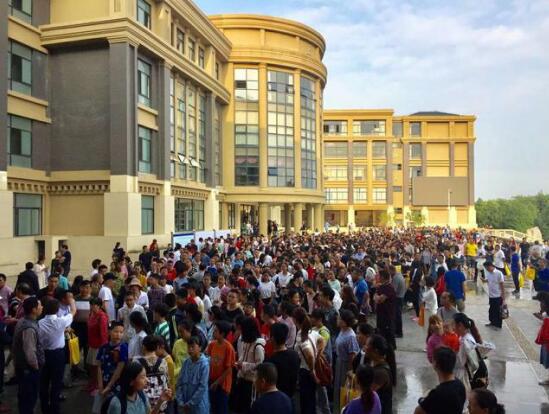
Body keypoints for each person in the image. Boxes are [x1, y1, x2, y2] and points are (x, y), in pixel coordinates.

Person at [38, 296, 77, 414]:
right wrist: (72, 301)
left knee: (43, 382)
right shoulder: (61, 321)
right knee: (56, 381)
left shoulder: (40, 322)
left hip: (43, 354)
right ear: (57, 309)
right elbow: (73, 311)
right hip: (57, 354)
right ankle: (55, 408)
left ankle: (44, 407)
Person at [12, 297, 44, 414]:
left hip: (23, 367)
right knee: (29, 398)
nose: (42, 307)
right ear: (34, 310)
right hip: (28, 369)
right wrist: (36, 367)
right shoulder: (29, 328)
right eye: (39, 305)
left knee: (24, 396)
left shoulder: (23, 320)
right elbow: (30, 352)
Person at [105, 361, 172, 414]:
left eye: (145, 376)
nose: (147, 380)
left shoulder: (142, 395)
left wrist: (160, 401)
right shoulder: (117, 404)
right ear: (131, 381)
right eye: (142, 377)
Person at [414, 347, 466, 414]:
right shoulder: (460, 385)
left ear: (435, 364)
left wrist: (426, 399)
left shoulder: (438, 394)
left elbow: (418, 411)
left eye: (433, 360)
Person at [234, 316, 266, 412]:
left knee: (248, 407)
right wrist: (238, 363)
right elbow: (242, 356)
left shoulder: (258, 346)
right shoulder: (246, 342)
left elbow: (259, 365)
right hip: (242, 378)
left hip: (251, 382)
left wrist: (243, 365)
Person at [205, 321, 236, 414]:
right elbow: (208, 358)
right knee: (212, 407)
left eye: (216, 331)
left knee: (221, 408)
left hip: (223, 385)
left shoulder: (228, 348)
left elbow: (228, 369)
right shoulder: (212, 344)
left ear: (222, 334)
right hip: (212, 380)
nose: (213, 332)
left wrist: (217, 382)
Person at [264, 322, 300, 400]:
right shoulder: (295, 355)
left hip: (276, 399)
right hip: (290, 398)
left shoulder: (272, 361)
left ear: (272, 338)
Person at [334, 309, 360, 412]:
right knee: (338, 389)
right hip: (339, 362)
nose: (337, 319)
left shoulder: (351, 336)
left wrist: (350, 371)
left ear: (344, 322)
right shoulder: (342, 330)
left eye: (339, 318)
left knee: (344, 390)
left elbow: (352, 355)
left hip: (345, 365)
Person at [176, 336, 210, 414]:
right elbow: (179, 383)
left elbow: (202, 387)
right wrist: (180, 402)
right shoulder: (186, 363)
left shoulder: (204, 365)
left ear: (200, 348)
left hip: (199, 407)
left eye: (192, 347)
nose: (190, 349)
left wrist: (190, 404)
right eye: (188, 347)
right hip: (184, 404)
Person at [135, 335, 169, 411]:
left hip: (144, 404)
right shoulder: (163, 362)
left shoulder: (137, 363)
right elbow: (166, 382)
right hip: (161, 405)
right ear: (156, 347)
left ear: (144, 347)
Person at [98, 321, 128, 398]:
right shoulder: (103, 347)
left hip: (117, 383)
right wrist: (100, 385)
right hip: (104, 381)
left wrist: (109, 386)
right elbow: (99, 367)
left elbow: (119, 369)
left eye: (121, 332)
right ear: (109, 332)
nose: (118, 335)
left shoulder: (123, 348)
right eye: (116, 331)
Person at [366, 335, 395, 414]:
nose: (364, 347)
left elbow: (366, 393)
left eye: (367, 345)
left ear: (376, 350)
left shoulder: (381, 373)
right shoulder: (372, 363)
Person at [453, 313, 482, 391]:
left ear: (460, 325)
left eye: (453, 325)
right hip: (462, 373)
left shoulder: (465, 341)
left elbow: (460, 361)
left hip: (461, 375)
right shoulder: (466, 337)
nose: (452, 328)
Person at [88, 297, 109, 394]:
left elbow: (104, 333)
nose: (92, 307)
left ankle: (97, 386)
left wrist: (104, 348)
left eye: (94, 305)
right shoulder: (91, 314)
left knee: (97, 367)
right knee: (92, 366)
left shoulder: (102, 316)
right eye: (91, 305)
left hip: (99, 346)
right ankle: (92, 383)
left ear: (99, 306)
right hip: (91, 344)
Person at [374, 270, 397, 350]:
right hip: (380, 314)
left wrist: (377, 297)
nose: (377, 277)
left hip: (387, 315)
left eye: (378, 276)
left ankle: (390, 349)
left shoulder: (389, 288)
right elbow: (375, 297)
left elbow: (379, 300)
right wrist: (377, 297)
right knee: (381, 331)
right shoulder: (381, 287)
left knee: (388, 333)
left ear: (383, 277)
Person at [481, 261, 505, 329]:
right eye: (486, 268)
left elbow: (502, 285)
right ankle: (492, 322)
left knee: (497, 311)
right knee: (491, 310)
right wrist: (484, 280)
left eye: (487, 268)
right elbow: (488, 280)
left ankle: (498, 325)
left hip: (498, 296)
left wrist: (503, 296)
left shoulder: (499, 273)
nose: (487, 269)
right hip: (491, 295)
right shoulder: (489, 273)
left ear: (491, 266)